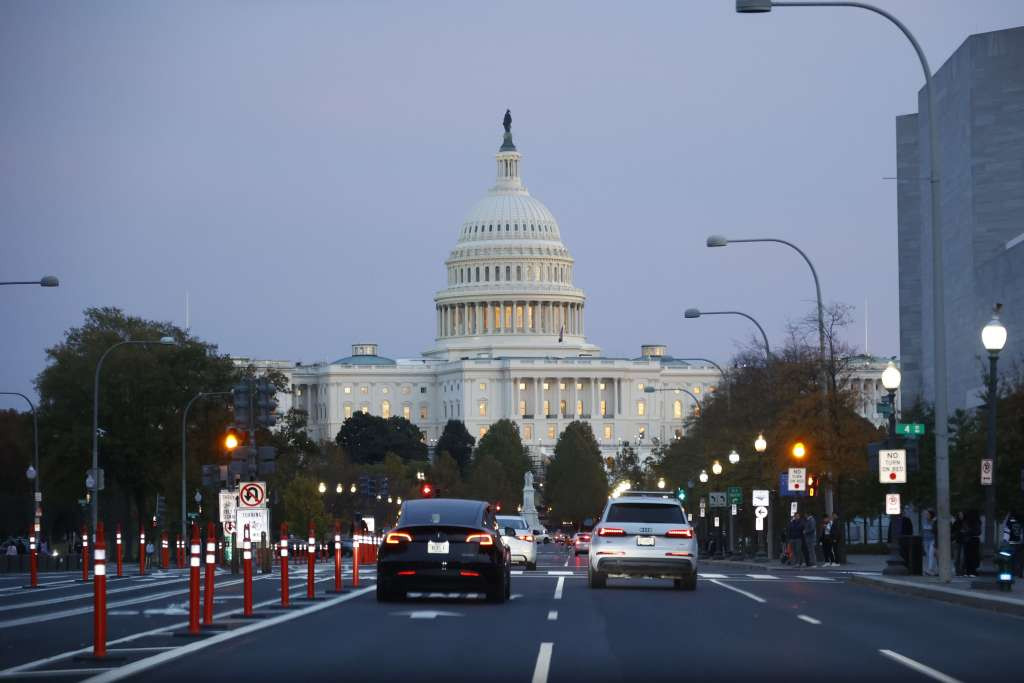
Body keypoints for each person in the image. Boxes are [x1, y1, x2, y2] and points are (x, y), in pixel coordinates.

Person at [922, 509, 937, 576]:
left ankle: (930, 569)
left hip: (932, 540)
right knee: (928, 555)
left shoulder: (934, 522)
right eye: (926, 514)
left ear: (931, 515)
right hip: (926, 540)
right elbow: (923, 531)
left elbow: (935, 531)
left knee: (931, 554)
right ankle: (932, 569)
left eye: (927, 514)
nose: (926, 515)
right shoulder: (924, 521)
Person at [952, 511, 966, 576]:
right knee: (956, 557)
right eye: (959, 514)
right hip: (957, 541)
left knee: (962, 557)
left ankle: (961, 571)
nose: (961, 516)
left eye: (962, 514)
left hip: (963, 542)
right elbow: (952, 531)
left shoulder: (965, 523)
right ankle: (957, 571)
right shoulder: (956, 523)